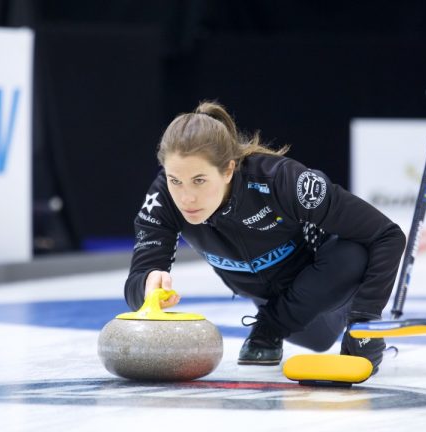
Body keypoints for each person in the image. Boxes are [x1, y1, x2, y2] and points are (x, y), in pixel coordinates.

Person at [123, 101, 405, 373]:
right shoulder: (163, 198)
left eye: (199, 180)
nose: (186, 197)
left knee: (354, 254)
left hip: (324, 286)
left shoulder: (283, 182)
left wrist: (364, 323)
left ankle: (270, 327)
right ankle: (273, 323)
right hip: (272, 301)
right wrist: (147, 285)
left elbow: (387, 235)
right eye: (175, 180)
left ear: (228, 169)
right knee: (317, 341)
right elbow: (136, 282)